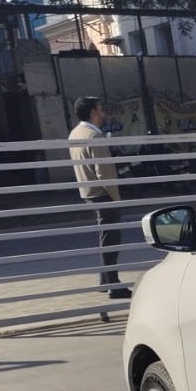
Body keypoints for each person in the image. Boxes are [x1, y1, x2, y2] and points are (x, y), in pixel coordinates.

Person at [68, 97, 130, 300]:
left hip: (87, 191)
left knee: (106, 236)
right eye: (101, 109)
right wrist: (116, 196)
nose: (103, 113)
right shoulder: (95, 136)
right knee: (111, 239)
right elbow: (103, 171)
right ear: (94, 111)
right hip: (102, 193)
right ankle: (113, 283)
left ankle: (105, 281)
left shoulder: (75, 133)